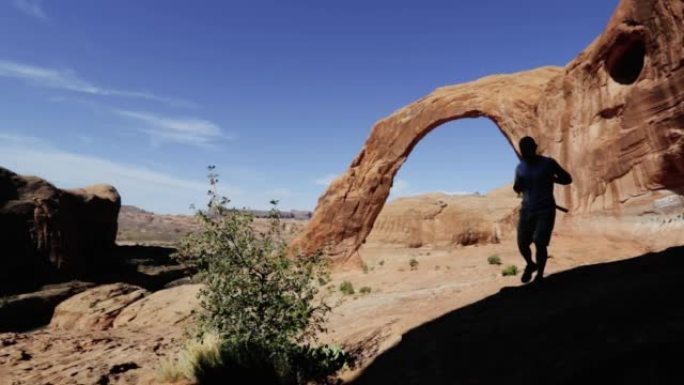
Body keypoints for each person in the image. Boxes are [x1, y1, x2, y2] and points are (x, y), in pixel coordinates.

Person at [513, 136, 572, 284]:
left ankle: (539, 275)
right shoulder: (520, 168)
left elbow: (567, 179)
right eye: (523, 149)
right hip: (527, 210)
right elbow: (517, 187)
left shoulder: (548, 163)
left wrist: (552, 179)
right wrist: (518, 186)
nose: (525, 151)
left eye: (528, 148)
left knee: (540, 242)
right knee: (522, 243)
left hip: (545, 209)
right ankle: (530, 264)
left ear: (534, 147)